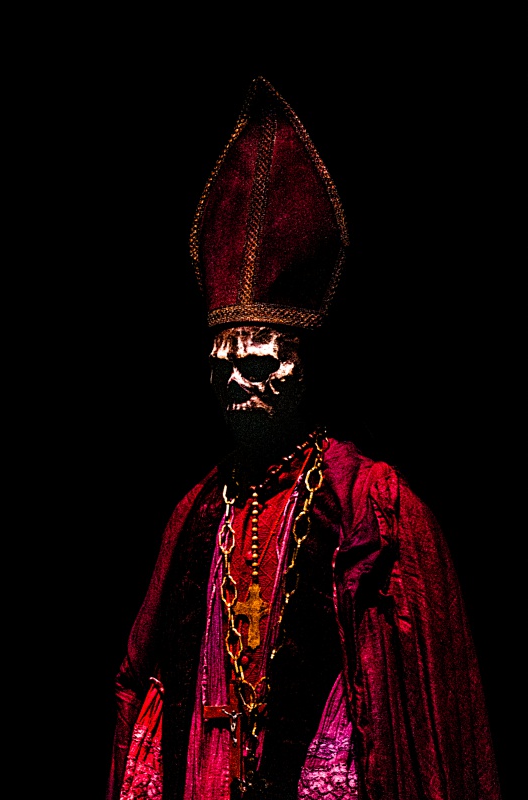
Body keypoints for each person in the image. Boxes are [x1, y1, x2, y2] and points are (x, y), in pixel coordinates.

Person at [106, 76, 502, 800]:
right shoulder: (195, 512)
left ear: (304, 366)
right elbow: (144, 678)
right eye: (223, 366)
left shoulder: (375, 508)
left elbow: (420, 706)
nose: (239, 383)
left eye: (262, 364)